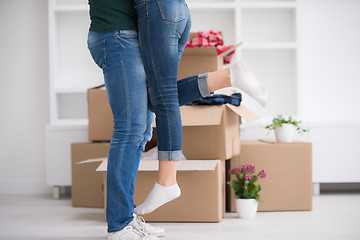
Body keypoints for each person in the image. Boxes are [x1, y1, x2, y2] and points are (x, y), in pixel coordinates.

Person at [87, 1, 266, 239]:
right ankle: (119, 225)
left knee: (148, 117)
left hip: (140, 27)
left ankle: (126, 219)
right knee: (131, 128)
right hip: (117, 33)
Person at [132, 0, 267, 218]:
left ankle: (167, 181)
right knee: (154, 98)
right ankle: (226, 77)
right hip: (177, 11)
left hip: (155, 9)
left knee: (163, 97)